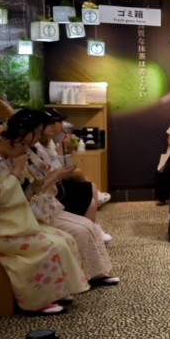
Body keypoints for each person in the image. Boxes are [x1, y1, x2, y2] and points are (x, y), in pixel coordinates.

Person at [0, 110, 89, 315]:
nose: (25, 149)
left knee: (65, 238)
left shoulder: (13, 159)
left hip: (16, 222)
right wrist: (17, 171)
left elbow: (29, 190)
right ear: (7, 140)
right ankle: (36, 301)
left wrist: (38, 174)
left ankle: (57, 290)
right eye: (22, 144)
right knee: (48, 245)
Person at [25, 112, 119, 287]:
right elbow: (34, 187)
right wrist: (57, 173)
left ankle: (97, 273)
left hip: (47, 202)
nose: (38, 136)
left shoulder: (37, 148)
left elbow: (48, 174)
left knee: (87, 223)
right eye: (36, 132)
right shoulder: (24, 155)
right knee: (82, 223)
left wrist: (60, 165)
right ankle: (82, 276)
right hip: (35, 208)